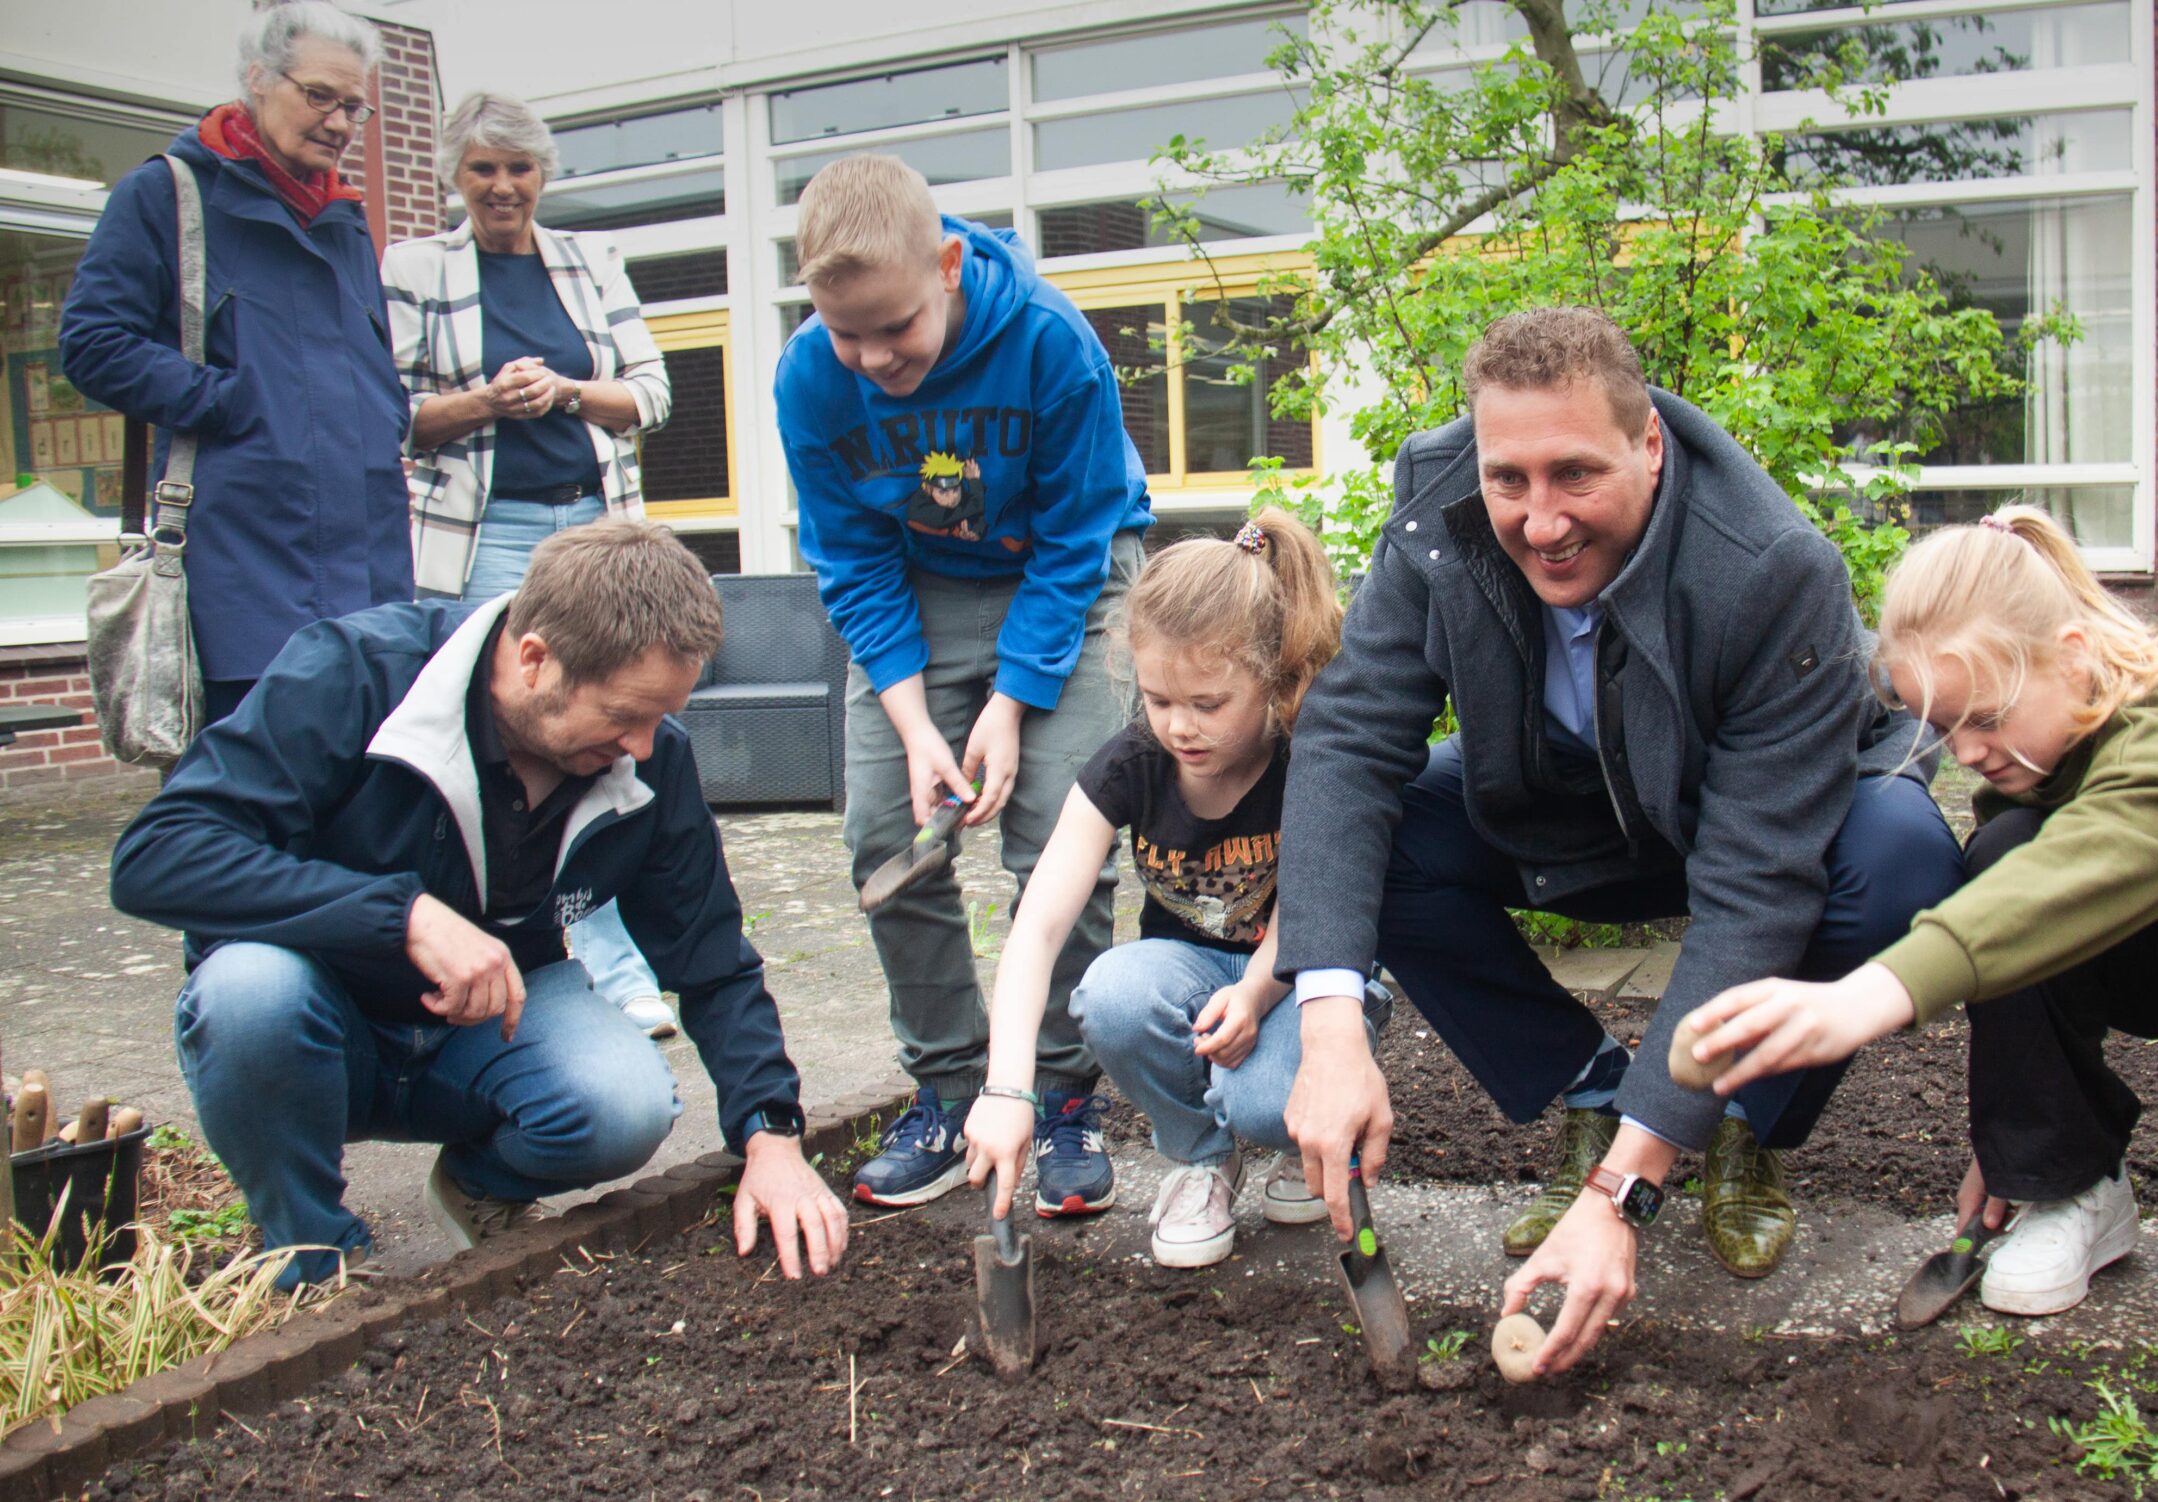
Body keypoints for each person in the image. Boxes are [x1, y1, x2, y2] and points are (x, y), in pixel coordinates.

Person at [1277, 307, 1965, 1372]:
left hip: (1749, 817)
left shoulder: (1772, 566)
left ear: (1649, 445)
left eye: (1574, 476)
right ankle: (1599, 1087)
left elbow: (1755, 886)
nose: (1540, 520)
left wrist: (1621, 1194)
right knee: (1395, 821)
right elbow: (1347, 740)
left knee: (1899, 855)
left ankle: (1726, 1115)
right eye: (1509, 479)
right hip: (1565, 805)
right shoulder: (1438, 508)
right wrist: (1329, 1031)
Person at [1677, 505, 2158, 1321]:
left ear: (2071, 658)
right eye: (1942, 726)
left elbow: (2072, 881)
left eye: (1985, 719)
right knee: (2007, 853)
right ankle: (2070, 1185)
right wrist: (2017, 1142)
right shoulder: (2058, 733)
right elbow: (2033, 887)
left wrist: (1856, 999)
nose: (1963, 752)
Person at [110, 521, 847, 1290]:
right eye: (622, 716)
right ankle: (308, 1252)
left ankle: (480, 1186)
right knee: (246, 994)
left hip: (485, 1033)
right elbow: (157, 854)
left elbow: (711, 957)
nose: (641, 746)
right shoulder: (355, 677)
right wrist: (401, 915)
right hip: (319, 1032)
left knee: (624, 1103)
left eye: (659, 718)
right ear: (535, 660)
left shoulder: (651, 759)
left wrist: (771, 1135)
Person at [776, 155, 1153, 1213]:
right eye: (847, 334)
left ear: (946, 264)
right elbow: (849, 557)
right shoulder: (809, 376)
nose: (873, 356)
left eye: (895, 326)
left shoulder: (1048, 340)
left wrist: (1008, 705)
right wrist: (912, 723)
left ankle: (1063, 1090)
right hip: (920, 581)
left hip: (1067, 577)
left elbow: (1080, 534)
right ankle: (947, 1086)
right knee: (885, 838)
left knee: (1056, 830)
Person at [964, 511, 1373, 1264]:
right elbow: (1039, 927)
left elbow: (1317, 899)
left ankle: (1299, 1142)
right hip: (1185, 974)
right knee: (1110, 994)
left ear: (1272, 677)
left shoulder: (1307, 755)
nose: (1178, 727)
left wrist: (1253, 993)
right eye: (1158, 700)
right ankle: (1201, 1158)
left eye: (1208, 705)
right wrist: (1006, 1088)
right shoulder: (1131, 765)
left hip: (1299, 972)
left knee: (1263, 1100)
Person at [383, 90, 677, 1039]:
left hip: (592, 523)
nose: (503, 187)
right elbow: (388, 412)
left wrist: (569, 391)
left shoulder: (592, 262)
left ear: (542, 176)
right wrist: (487, 403)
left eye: (518, 169)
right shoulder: (415, 268)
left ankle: (619, 969)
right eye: (482, 170)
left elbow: (652, 394)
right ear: (454, 179)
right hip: (482, 532)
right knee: (520, 749)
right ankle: (533, 964)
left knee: (612, 747)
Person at [59, 1, 411, 725]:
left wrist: (387, 419)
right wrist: (232, 403)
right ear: (256, 78)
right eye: (319, 96)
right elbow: (93, 342)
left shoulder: (343, 219)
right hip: (242, 577)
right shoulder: (165, 195)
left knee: (360, 810)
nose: (340, 124)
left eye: (355, 107)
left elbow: (369, 370)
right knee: (235, 811)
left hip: (369, 578)